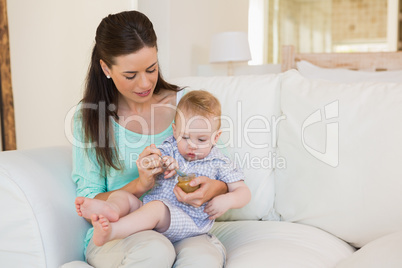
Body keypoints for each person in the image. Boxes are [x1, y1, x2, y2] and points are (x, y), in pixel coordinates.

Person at [72, 10, 229, 268]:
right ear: (105, 68)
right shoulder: (90, 117)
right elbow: (89, 198)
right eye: (130, 75)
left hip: (181, 226)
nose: (144, 83)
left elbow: (223, 173)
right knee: (155, 251)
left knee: (202, 259)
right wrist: (140, 184)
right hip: (121, 232)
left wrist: (211, 188)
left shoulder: (185, 104)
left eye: (151, 69)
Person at [75, 90, 251, 247]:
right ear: (174, 131)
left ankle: (113, 231)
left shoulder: (220, 161)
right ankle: (111, 210)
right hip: (150, 210)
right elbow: (156, 158)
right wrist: (161, 162)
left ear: (216, 137)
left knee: (157, 208)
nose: (191, 146)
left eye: (201, 140)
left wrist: (227, 201)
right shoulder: (171, 147)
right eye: (185, 137)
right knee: (123, 196)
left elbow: (243, 192)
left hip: (188, 221)